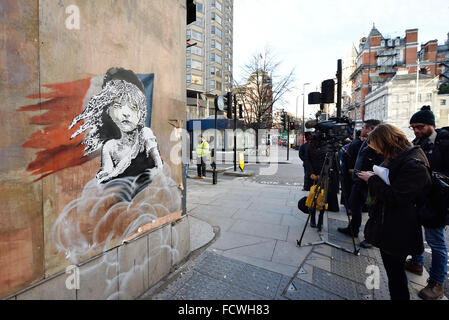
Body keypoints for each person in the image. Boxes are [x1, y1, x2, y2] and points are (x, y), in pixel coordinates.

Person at [358, 124, 432, 300]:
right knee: (394, 274)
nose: (378, 152)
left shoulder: (413, 163)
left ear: (386, 142)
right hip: (392, 225)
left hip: (399, 229)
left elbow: (397, 197)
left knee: (396, 277)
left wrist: (373, 179)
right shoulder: (402, 156)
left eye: (378, 147)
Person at [70, 67, 162, 192]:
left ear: (141, 113)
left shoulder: (145, 134)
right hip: (123, 196)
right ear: (109, 111)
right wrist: (103, 177)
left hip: (145, 194)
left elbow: (159, 166)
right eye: (118, 106)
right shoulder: (110, 146)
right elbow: (107, 172)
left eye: (133, 108)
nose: (126, 113)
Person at [404, 105, 449, 300]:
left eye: (419, 126)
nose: (416, 130)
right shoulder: (418, 142)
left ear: (431, 125)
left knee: (436, 243)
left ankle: (437, 283)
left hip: (437, 202)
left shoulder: (445, 143)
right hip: (419, 198)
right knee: (414, 233)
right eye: (413, 127)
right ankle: (417, 262)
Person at [338, 120, 383, 248]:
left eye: (363, 127)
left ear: (370, 129)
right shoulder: (365, 142)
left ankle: (370, 238)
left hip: (370, 183)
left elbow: (381, 165)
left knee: (372, 211)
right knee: (353, 204)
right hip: (358, 181)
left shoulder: (379, 145)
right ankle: (353, 229)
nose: (361, 129)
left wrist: (369, 174)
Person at [303, 134, 340, 228]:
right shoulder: (310, 145)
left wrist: (323, 174)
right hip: (313, 175)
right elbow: (306, 159)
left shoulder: (328, 145)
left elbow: (332, 163)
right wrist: (311, 173)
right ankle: (312, 218)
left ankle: (321, 219)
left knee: (323, 198)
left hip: (325, 175)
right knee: (313, 196)